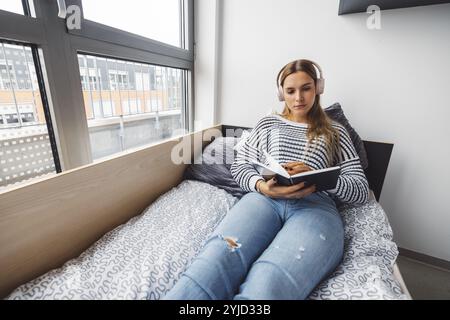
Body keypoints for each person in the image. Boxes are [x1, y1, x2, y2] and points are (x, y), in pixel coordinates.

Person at [163, 59, 369, 300]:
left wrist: (319, 175)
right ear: (281, 93)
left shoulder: (335, 131)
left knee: (268, 281)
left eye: (306, 88)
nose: (298, 98)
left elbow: (360, 190)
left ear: (318, 88)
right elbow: (241, 166)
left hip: (316, 207)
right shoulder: (267, 124)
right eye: (290, 91)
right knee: (216, 260)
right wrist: (261, 186)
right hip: (263, 200)